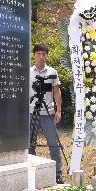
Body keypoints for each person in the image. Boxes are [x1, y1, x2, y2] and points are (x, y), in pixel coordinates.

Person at [28, 45, 63, 183]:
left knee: (53, 144)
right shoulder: (29, 71)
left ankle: (57, 175)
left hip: (48, 112)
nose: (41, 56)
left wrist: (59, 110)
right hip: (31, 111)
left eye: (43, 54)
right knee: (30, 144)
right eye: (38, 54)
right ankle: (31, 174)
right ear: (34, 55)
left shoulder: (52, 72)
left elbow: (57, 92)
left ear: (47, 55)